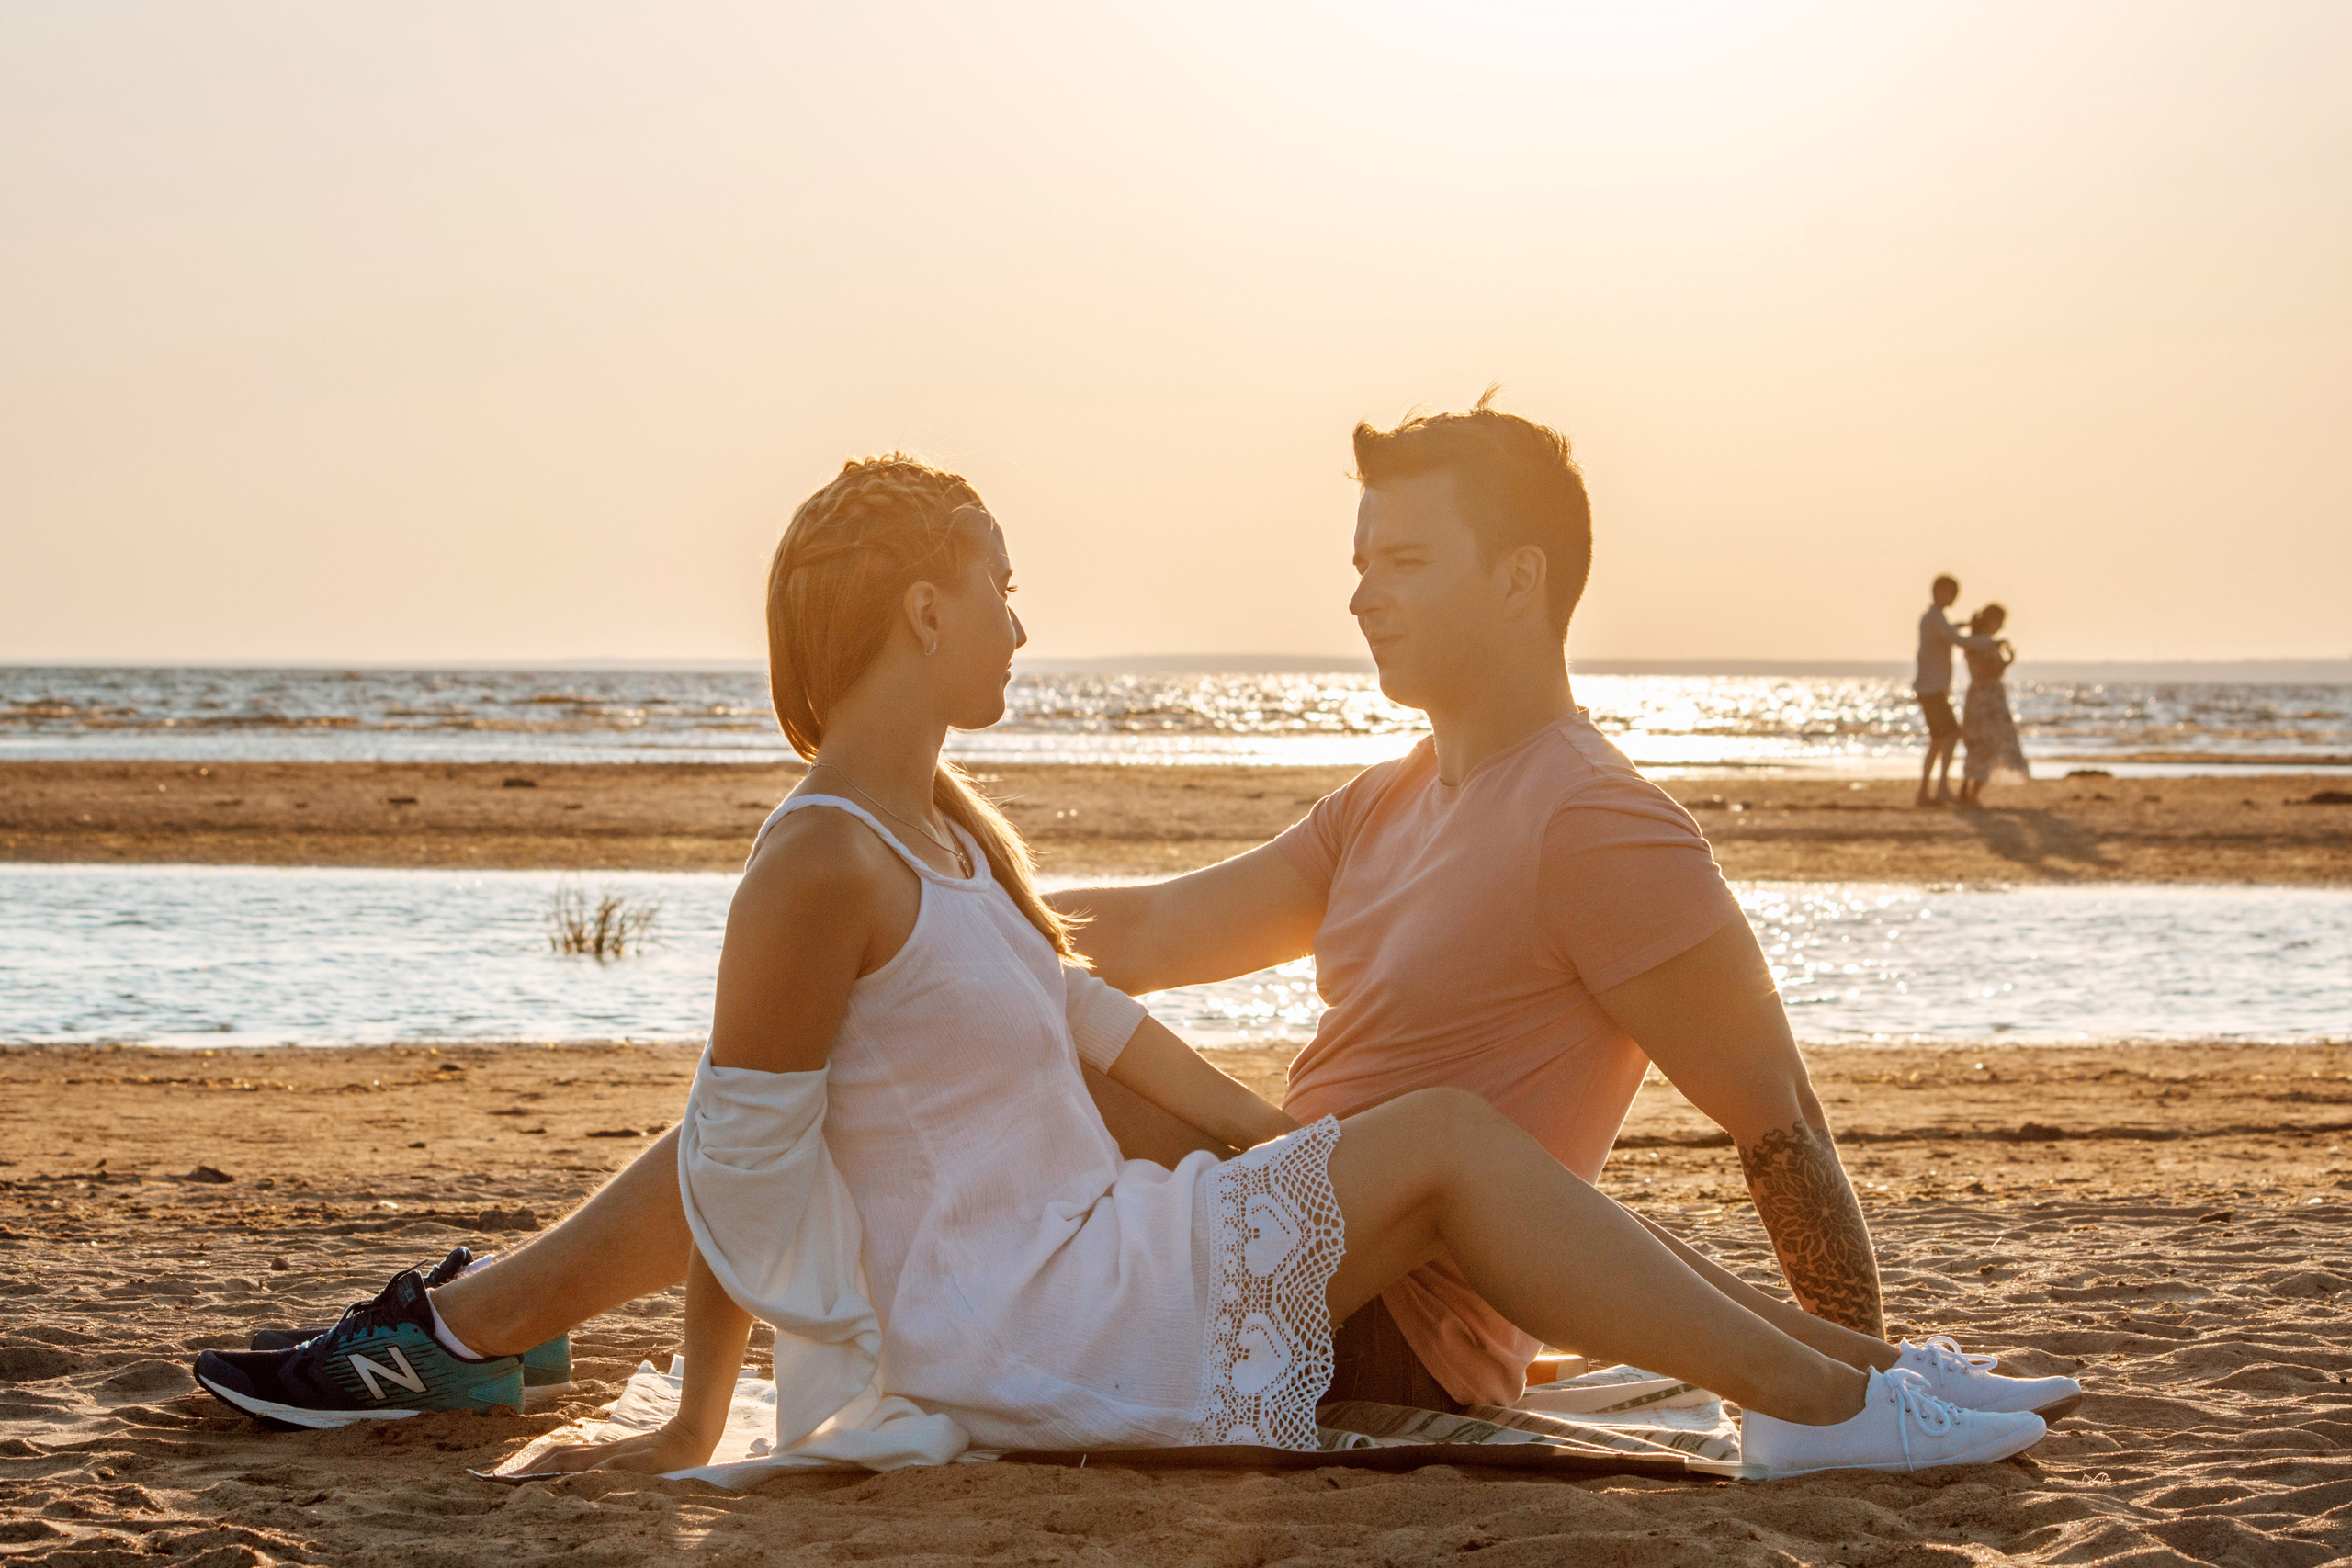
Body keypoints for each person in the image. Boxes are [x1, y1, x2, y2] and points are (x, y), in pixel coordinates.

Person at [190, 454, 2072, 1479]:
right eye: (1001, 586)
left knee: (1395, 1138)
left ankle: (1851, 1373)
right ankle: (1836, 1406)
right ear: (927, 609)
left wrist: (1307, 1174)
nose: (1025, 615)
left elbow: (1127, 1040)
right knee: (1405, 1137)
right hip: (1052, 1305)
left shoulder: (953, 842)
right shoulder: (843, 862)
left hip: (1149, 1270)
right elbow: (757, 1148)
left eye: (1396, 556)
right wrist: (702, 1404)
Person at [1052, 398, 1922, 1415]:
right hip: (1283, 1249)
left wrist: (1860, 1382)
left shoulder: (1596, 823)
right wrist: (940, 913)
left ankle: (1867, 1394)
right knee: (1018, 1005)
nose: (1363, 599)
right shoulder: (1379, 802)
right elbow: (1150, 932)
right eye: (1360, 565)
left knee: (1051, 1044)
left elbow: (1783, 1128)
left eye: (1406, 563)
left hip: (1388, 1334)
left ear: (1518, 579)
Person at [1914, 575, 1987, 807]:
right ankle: (1941, 787)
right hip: (1932, 688)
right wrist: (1987, 642)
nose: (1952, 597)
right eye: (1949, 592)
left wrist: (1958, 627)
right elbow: (1957, 641)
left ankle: (1926, 791)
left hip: (1932, 687)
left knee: (1938, 739)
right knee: (1951, 733)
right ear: (1938, 592)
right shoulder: (1934, 618)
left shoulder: (1936, 618)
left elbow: (1947, 633)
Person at [1957, 604, 2027, 807]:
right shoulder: (1982, 643)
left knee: (1978, 745)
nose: (2002, 626)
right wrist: (2000, 651)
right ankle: (1971, 795)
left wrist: (2003, 658)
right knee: (1989, 745)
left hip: (1979, 695)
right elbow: (1990, 669)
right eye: (2000, 622)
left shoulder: (1976, 642)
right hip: (1989, 698)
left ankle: (1967, 791)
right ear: (1992, 620)